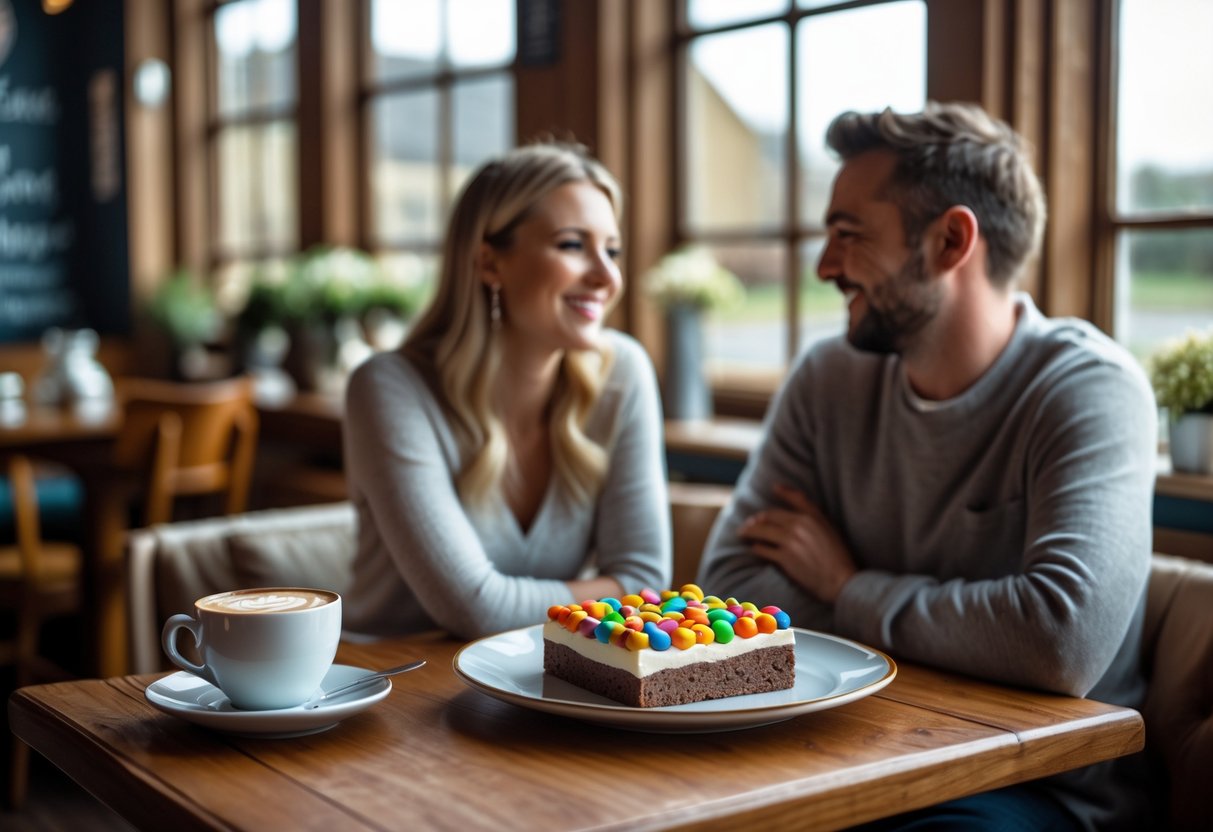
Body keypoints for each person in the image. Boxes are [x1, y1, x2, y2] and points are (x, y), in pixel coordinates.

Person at [697, 102, 1157, 831]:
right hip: (839, 759)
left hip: (1030, 788)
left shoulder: (1088, 388)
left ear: (949, 240)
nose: (823, 265)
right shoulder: (826, 378)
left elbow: (1057, 641)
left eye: (848, 235)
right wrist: (971, 625)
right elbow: (729, 586)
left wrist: (848, 588)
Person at [343, 142, 670, 640]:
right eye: (571, 245)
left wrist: (613, 593)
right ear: (489, 263)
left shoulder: (623, 373)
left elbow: (645, 581)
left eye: (612, 249)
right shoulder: (388, 389)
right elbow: (476, 608)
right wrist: (603, 594)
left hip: (533, 682)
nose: (608, 276)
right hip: (395, 686)